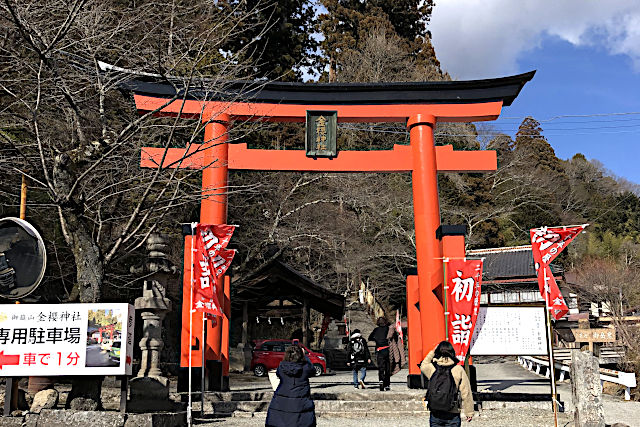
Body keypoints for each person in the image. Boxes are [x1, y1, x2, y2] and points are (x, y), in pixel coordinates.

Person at [420, 341, 474, 427]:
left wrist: (433, 351)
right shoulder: (458, 369)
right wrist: (469, 412)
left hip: (435, 413)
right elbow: (466, 392)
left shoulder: (432, 368)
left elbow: (423, 364)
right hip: (453, 413)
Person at [265, 344, 316, 427]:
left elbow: (278, 374)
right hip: (301, 401)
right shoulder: (305, 368)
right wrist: (305, 357)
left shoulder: (282, 367)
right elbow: (313, 370)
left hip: (282, 400)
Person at [368, 317, 392, 391]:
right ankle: (387, 384)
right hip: (387, 349)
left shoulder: (376, 330)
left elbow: (369, 338)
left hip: (379, 350)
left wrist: (376, 340)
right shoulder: (388, 329)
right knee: (387, 368)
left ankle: (381, 381)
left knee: (381, 368)